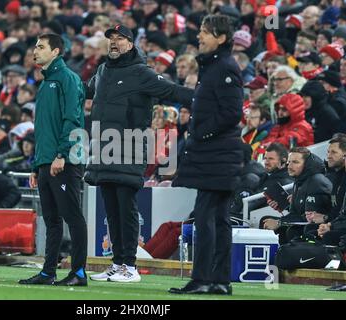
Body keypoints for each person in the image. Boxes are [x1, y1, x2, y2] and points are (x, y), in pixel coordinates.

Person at [85, 25, 193, 283]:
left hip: (130, 146)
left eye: (120, 38)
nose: (114, 42)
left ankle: (130, 266)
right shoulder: (102, 70)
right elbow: (83, 91)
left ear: (131, 44)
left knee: (126, 206)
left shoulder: (142, 72)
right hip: (103, 148)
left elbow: (171, 91)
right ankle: (117, 263)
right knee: (111, 208)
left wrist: (209, 99)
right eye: (111, 38)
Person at [168, 15, 244, 295]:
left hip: (218, 153)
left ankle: (202, 279)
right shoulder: (215, 66)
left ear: (221, 38)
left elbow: (232, 112)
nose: (199, 36)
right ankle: (220, 281)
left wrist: (202, 134)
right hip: (218, 153)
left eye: (204, 32)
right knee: (219, 218)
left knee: (206, 216)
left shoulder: (224, 67)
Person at [19, 33, 87, 287]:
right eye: (34, 46)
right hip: (47, 162)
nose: (34, 51)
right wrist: (37, 165)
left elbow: (73, 119)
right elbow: (43, 129)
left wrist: (62, 154)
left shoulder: (67, 79)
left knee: (72, 216)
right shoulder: (46, 82)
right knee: (51, 220)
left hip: (64, 161)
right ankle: (48, 272)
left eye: (40, 47)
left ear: (56, 51)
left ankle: (79, 272)